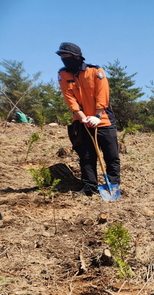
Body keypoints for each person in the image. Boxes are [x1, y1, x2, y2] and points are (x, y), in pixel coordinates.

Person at [56, 42, 120, 196]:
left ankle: (113, 186)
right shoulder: (63, 75)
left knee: (111, 155)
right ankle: (89, 187)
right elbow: (70, 99)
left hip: (103, 120)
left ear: (77, 56)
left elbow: (102, 94)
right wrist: (83, 118)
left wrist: (97, 116)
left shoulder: (95, 71)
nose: (63, 58)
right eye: (61, 56)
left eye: (66, 55)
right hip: (82, 122)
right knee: (86, 157)